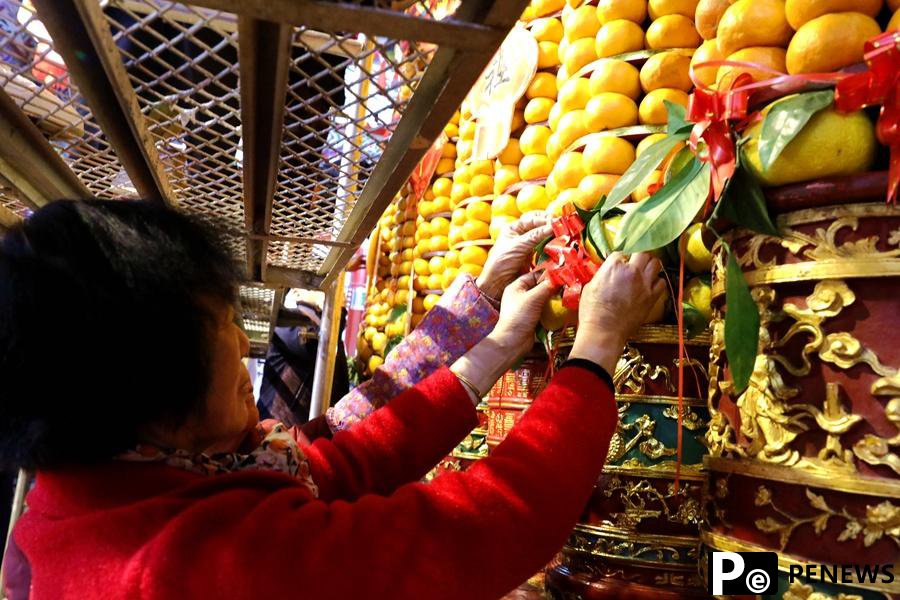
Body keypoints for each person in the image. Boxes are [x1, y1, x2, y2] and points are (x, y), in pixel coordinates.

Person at [0, 199, 664, 600]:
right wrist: (597, 349)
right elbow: (476, 533)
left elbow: (342, 457)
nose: (242, 344)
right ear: (149, 384)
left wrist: (497, 337)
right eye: (222, 327)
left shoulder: (111, 483)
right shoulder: (188, 569)